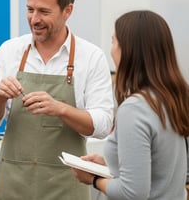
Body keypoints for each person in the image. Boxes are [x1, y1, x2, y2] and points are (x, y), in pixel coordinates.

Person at [0, 0, 114, 200]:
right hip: (12, 182)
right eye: (30, 10)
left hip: (66, 183)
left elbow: (102, 124)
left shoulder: (91, 57)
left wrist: (60, 109)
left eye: (44, 11)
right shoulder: (10, 51)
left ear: (67, 11)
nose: (34, 19)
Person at [72, 10, 189, 200]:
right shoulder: (174, 98)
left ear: (129, 49)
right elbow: (161, 171)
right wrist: (113, 167)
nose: (111, 50)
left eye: (113, 41)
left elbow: (132, 193)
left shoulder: (134, 109)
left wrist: (93, 179)